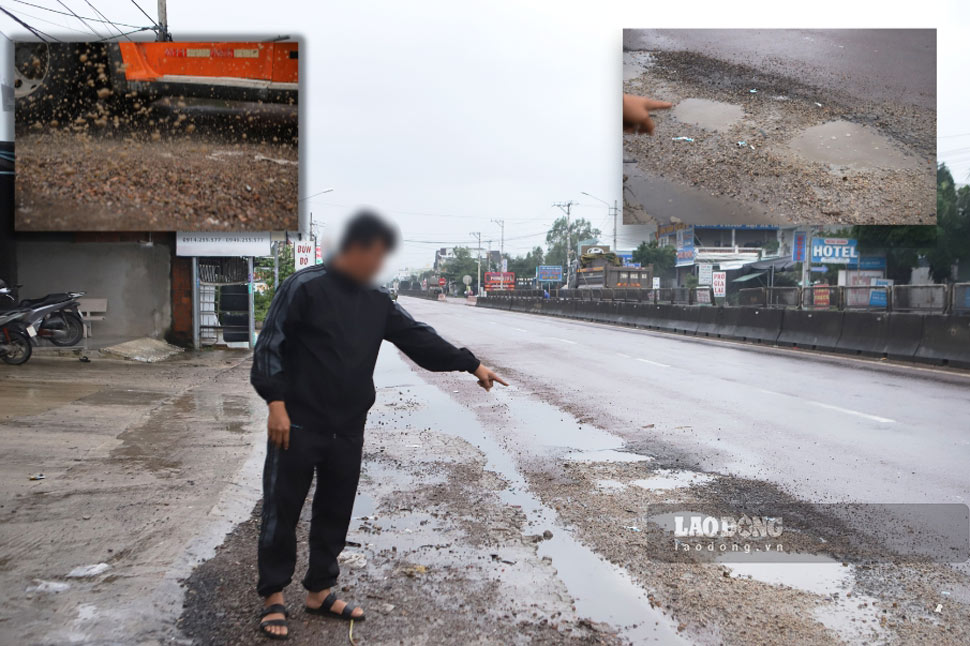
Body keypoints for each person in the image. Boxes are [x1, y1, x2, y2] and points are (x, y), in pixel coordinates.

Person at [250, 211, 507, 639]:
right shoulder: (303, 287)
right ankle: (273, 596)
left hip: (348, 426)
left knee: (335, 510)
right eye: (372, 254)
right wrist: (275, 402)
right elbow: (271, 344)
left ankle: (320, 590)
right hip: (296, 423)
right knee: (283, 509)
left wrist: (470, 364)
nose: (376, 264)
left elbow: (418, 338)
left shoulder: (376, 301)